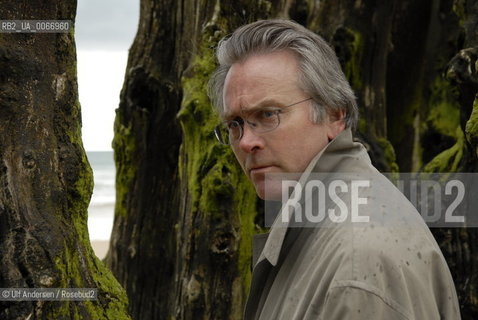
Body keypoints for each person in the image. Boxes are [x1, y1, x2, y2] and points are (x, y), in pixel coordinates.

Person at [208, 19, 461, 320]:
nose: (247, 141)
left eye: (267, 114)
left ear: (334, 115)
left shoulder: (359, 264)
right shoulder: (318, 225)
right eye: (235, 124)